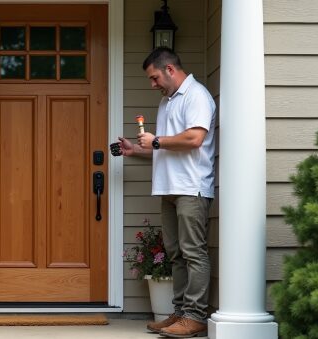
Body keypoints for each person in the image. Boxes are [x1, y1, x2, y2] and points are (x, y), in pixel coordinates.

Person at [117, 47, 215, 338]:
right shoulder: (167, 102)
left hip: (191, 187)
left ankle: (195, 316)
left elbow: (195, 138)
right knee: (176, 254)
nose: (152, 84)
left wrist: (156, 141)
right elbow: (167, 148)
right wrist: (137, 150)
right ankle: (181, 313)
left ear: (170, 69)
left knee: (193, 252)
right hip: (170, 188)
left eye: (155, 77)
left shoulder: (197, 95)